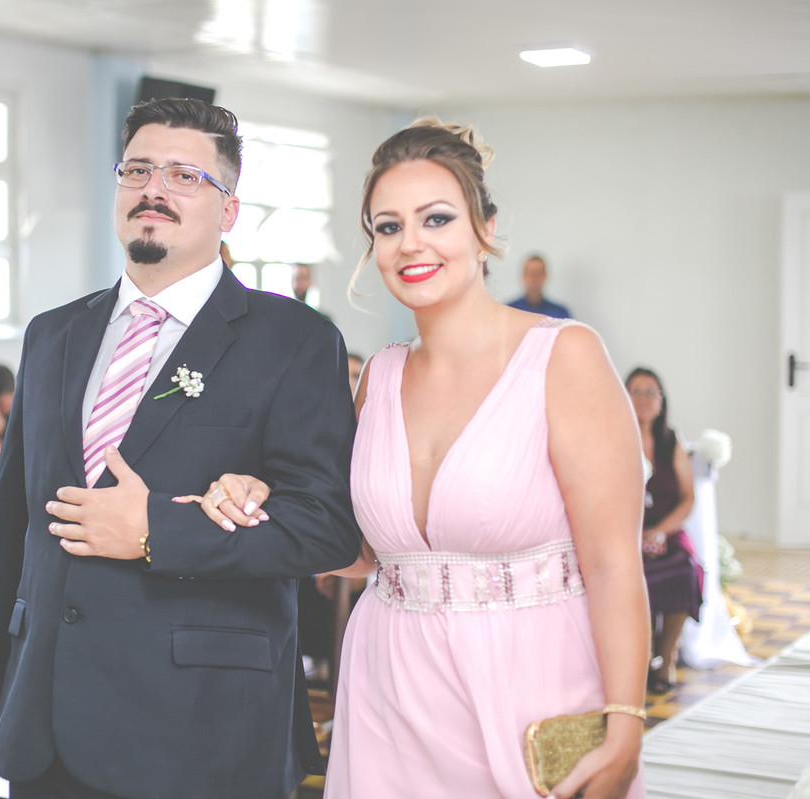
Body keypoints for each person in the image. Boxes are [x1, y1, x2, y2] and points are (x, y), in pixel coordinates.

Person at [196, 120, 650, 798]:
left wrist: (627, 720)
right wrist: (257, 499)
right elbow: (358, 550)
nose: (411, 242)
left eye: (436, 218)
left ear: (485, 229)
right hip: (390, 691)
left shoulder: (565, 357)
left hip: (531, 681)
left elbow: (614, 561)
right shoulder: (377, 377)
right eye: (388, 226)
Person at [0, 97, 361, 799]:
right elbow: (11, 530)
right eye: (136, 170)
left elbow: (325, 525)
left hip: (204, 728)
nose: (153, 189)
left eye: (184, 176)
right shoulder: (53, 335)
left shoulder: (293, 340)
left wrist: (154, 530)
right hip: (47, 723)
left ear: (229, 210)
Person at [626, 367, 702, 694]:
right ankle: (638, 658)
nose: (643, 399)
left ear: (662, 402)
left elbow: (687, 498)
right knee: (629, 574)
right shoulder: (613, 437)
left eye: (651, 392)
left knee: (685, 567)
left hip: (665, 528)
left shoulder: (672, 442)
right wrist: (634, 535)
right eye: (635, 391)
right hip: (625, 531)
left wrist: (659, 532)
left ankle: (666, 656)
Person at [507, 253, 572, 318]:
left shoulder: (560, 313)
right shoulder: (509, 311)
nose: (533, 277)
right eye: (530, 273)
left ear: (545, 276)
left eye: (538, 272)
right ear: (523, 276)